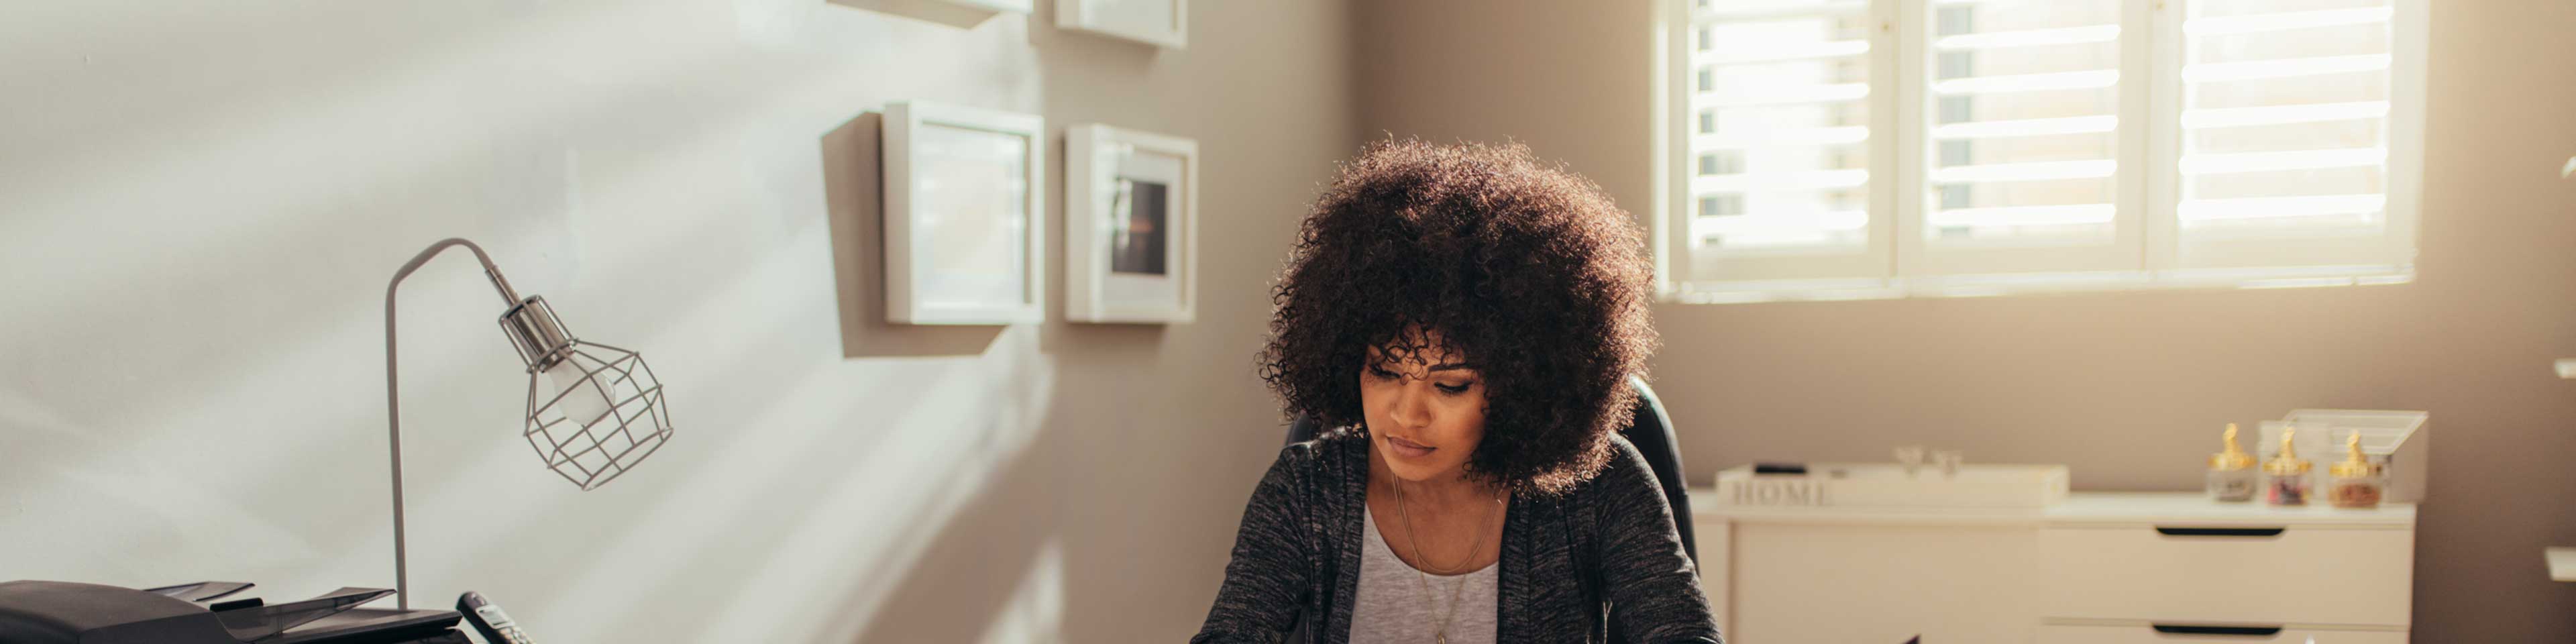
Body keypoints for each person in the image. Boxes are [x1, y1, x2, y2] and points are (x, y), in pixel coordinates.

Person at [1193, 140, 1719, 643]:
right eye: (1384, 372)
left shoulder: (1601, 488)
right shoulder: (1308, 491)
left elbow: (1683, 634)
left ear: (1522, 381)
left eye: (1449, 386)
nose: (1406, 414)